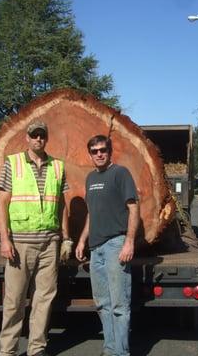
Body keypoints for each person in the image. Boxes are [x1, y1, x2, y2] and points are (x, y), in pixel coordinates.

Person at [0, 120, 72, 356]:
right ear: (27, 138)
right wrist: (5, 239)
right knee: (14, 300)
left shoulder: (58, 167)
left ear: (46, 138)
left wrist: (66, 238)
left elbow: (62, 206)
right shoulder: (13, 163)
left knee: (44, 298)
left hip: (50, 243)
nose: (38, 139)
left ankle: (36, 348)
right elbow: (2, 203)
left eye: (42, 135)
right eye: (34, 135)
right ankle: (8, 351)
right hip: (20, 243)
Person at [75, 135, 140, 356]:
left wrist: (129, 242)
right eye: (94, 151)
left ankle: (121, 353)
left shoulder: (120, 174)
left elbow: (133, 208)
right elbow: (92, 213)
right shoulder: (90, 178)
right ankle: (110, 348)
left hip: (115, 245)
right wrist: (83, 239)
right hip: (96, 249)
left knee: (119, 305)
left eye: (103, 150)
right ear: (90, 154)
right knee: (102, 303)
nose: (99, 154)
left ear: (110, 151)